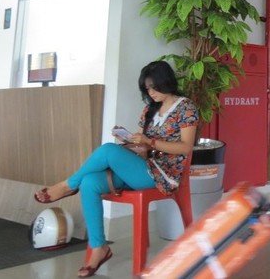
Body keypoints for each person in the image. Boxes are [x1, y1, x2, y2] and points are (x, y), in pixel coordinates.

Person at [34, 60, 198, 278]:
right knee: (90, 182)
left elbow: (186, 147)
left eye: (154, 87)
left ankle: (67, 185)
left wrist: (150, 142)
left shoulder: (186, 108)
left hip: (163, 174)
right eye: (147, 89)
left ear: (166, 82)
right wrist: (134, 143)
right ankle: (99, 248)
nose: (151, 93)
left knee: (108, 150)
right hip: (141, 167)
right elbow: (142, 145)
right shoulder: (149, 109)